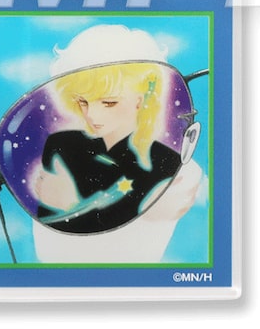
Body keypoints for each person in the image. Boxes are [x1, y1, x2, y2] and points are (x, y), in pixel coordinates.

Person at [30, 25, 203, 261]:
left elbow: (142, 247)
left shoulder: (168, 163)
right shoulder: (61, 144)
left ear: (141, 99)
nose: (92, 115)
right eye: (82, 101)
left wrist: (71, 205)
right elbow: (49, 243)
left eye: (109, 103)